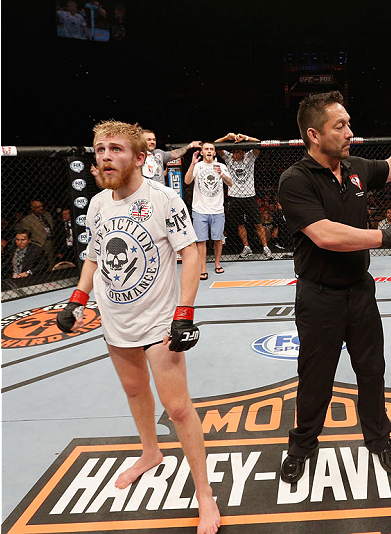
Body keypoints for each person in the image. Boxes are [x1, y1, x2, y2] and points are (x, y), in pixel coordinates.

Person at [55, 120, 220, 534]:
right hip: (116, 322)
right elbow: (93, 257)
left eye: (115, 149)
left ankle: (205, 495)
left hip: (159, 322)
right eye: (99, 150)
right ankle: (150, 453)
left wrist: (185, 312)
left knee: (179, 408)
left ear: (139, 158)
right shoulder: (97, 205)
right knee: (133, 390)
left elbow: (192, 254)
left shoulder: (163, 199)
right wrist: (77, 299)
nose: (105, 157)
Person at [276, 90, 391, 484]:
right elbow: (325, 235)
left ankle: (380, 442)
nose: (349, 132)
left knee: (372, 371)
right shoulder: (294, 180)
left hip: (360, 291)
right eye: (339, 126)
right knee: (315, 378)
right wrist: (383, 236)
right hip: (318, 296)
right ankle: (302, 446)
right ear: (314, 134)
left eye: (347, 123)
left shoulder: (356, 168)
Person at [214, 132, 273, 259]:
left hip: (249, 195)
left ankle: (266, 248)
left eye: (238, 152)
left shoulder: (249, 157)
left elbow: (259, 143)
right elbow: (215, 145)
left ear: (243, 152)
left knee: (258, 224)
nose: (235, 155)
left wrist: (245, 138)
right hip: (235, 197)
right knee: (240, 224)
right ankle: (246, 247)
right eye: (234, 152)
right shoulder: (228, 158)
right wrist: (226, 138)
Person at [184, 142, 233, 279]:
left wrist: (222, 174)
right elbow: (187, 181)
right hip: (200, 209)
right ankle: (203, 268)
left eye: (211, 149)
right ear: (202, 152)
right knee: (201, 241)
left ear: (215, 152)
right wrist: (192, 164)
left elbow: (230, 183)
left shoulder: (221, 166)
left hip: (217, 209)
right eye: (206, 149)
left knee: (218, 239)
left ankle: (217, 264)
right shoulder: (198, 166)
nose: (209, 151)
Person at [22, 200, 55, 268]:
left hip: (50, 241)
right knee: (40, 264)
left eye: (42, 206)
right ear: (33, 208)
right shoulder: (28, 220)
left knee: (51, 262)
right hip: (37, 243)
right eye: (38, 207)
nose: (41, 208)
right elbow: (25, 234)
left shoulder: (47, 215)